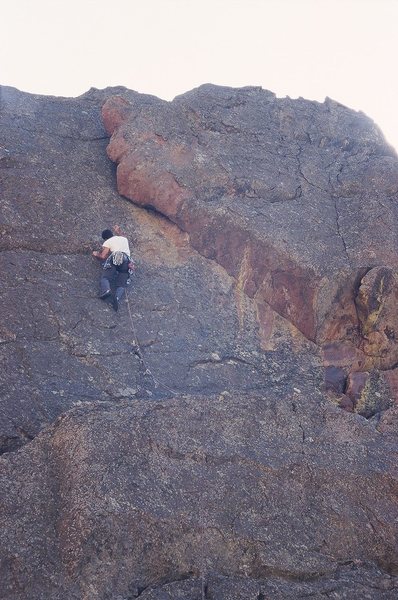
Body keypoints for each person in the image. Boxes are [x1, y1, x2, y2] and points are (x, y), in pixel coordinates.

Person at [92, 225, 134, 311]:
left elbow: (103, 256)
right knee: (122, 284)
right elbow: (122, 235)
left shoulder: (108, 242)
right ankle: (117, 298)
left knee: (105, 277)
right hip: (127, 261)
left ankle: (106, 290)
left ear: (105, 238)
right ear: (112, 234)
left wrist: (96, 255)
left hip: (115, 257)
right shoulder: (124, 239)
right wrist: (118, 230)